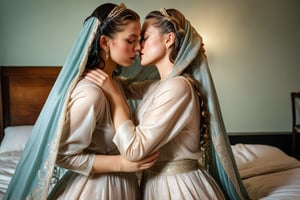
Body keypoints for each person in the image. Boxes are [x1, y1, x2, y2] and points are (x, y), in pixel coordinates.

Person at [4, 3, 158, 200]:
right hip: (96, 189)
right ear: (104, 42)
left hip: (122, 184)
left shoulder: (115, 84)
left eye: (139, 40)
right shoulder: (90, 94)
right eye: (131, 40)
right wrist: (122, 164)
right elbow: (62, 155)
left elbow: (154, 83)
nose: (138, 48)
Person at [85, 8, 229, 200]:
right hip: (155, 183)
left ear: (168, 39)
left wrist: (116, 98)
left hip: (178, 188)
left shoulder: (179, 88)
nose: (138, 46)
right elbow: (120, 86)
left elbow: (134, 150)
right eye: (134, 40)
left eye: (144, 38)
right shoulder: (158, 86)